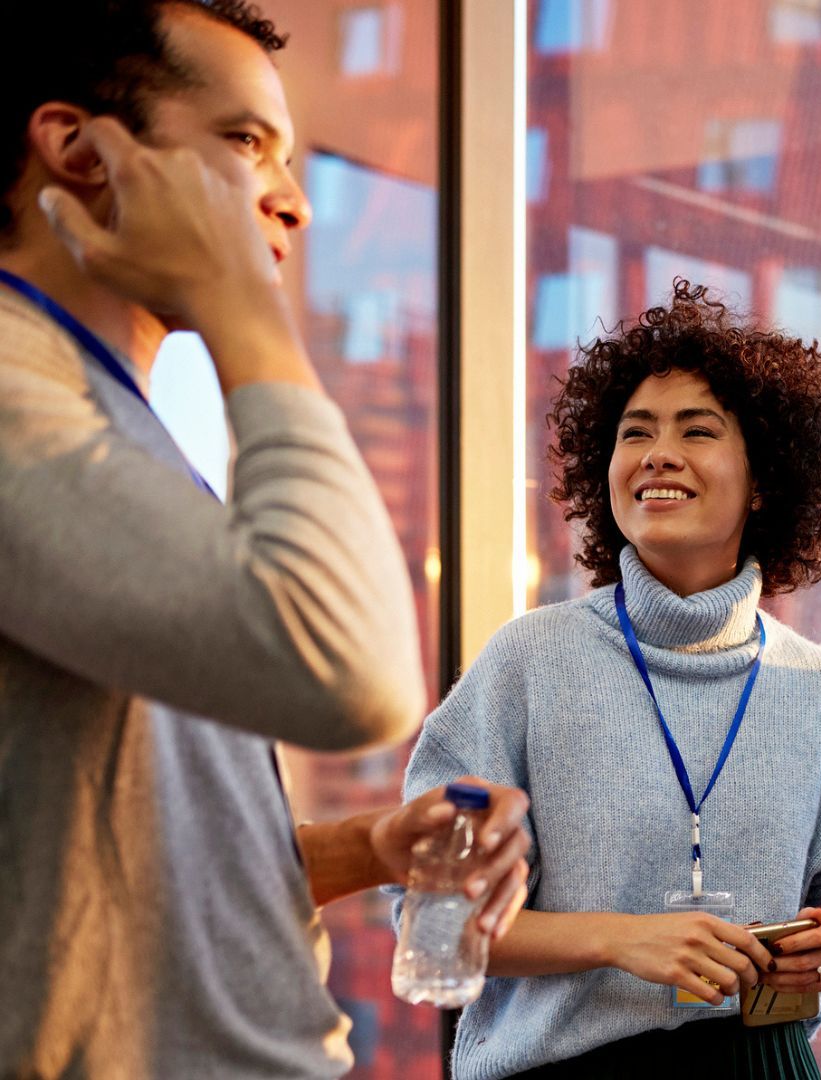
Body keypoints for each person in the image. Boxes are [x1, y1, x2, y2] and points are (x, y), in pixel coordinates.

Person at [0, 2, 530, 1075]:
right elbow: (354, 673)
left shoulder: (101, 418)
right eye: (245, 145)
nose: (290, 201)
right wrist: (244, 305)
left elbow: (91, 843)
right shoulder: (14, 402)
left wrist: (360, 850)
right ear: (81, 149)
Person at [401, 280, 821, 1080]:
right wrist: (619, 937)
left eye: (697, 431)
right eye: (636, 433)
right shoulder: (528, 664)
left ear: (765, 478)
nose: (658, 453)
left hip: (764, 1062)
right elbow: (435, 921)